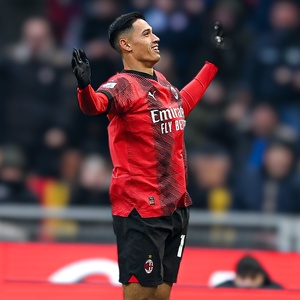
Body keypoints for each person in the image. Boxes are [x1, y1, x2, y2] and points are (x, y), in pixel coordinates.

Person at [71, 11, 222, 300]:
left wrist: (212, 64)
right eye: (147, 33)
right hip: (140, 208)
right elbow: (96, 106)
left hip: (175, 204)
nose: (156, 38)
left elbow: (183, 105)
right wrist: (84, 88)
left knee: (161, 295)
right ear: (126, 45)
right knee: (141, 296)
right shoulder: (123, 84)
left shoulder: (162, 82)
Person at [216, 255, 283, 289]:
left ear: (261, 277)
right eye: (243, 278)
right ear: (236, 277)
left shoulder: (276, 291)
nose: (248, 283)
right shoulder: (223, 289)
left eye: (253, 278)